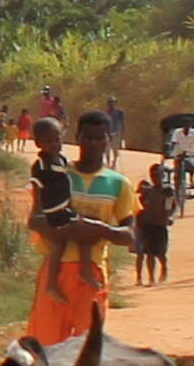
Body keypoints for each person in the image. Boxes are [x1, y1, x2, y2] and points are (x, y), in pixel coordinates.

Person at [22, 113, 132, 345]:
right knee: (46, 348)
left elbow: (130, 237)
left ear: (108, 139)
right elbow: (34, 219)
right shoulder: (57, 173)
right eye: (87, 137)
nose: (93, 143)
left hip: (91, 274)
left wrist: (97, 228)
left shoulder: (118, 184)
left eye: (99, 138)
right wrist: (67, 230)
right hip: (57, 271)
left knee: (85, 349)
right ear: (76, 137)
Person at [131, 160, 178, 285]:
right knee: (149, 253)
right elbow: (139, 205)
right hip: (148, 225)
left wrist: (169, 217)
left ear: (163, 176)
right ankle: (151, 278)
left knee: (161, 253)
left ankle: (164, 268)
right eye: (153, 175)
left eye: (158, 175)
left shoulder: (167, 191)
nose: (155, 177)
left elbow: (171, 206)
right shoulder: (148, 192)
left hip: (160, 225)